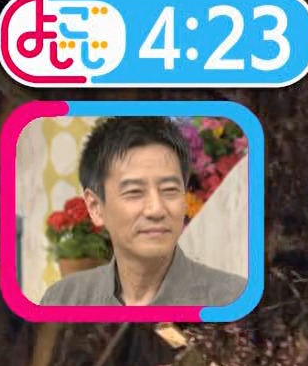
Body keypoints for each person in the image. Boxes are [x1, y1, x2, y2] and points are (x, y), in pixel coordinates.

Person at [39, 116, 246, 308]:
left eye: (169, 190)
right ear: (95, 207)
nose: (156, 209)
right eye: (134, 192)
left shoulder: (233, 299)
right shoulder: (62, 300)